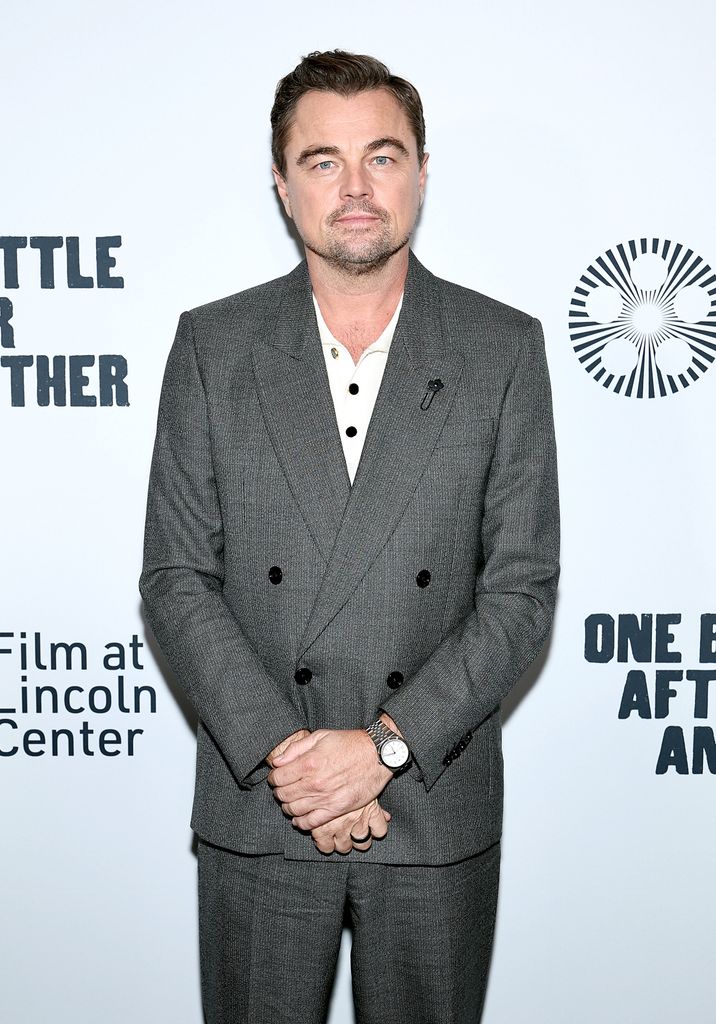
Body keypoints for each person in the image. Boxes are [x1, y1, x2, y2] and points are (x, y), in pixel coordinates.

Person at [139, 49, 560, 1024]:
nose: (356, 187)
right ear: (282, 186)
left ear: (419, 170)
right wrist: (298, 759)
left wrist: (382, 747)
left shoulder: (502, 348)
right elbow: (176, 578)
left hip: (431, 799)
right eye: (322, 160)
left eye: (381, 155)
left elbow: (520, 589)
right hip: (261, 800)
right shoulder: (214, 345)